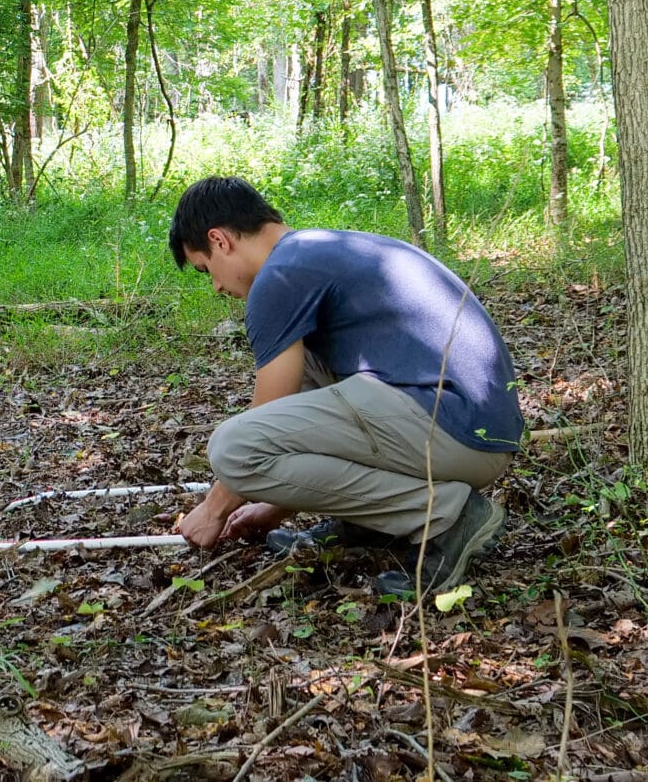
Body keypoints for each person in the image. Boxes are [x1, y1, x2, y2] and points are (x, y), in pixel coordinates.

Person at [166, 177, 524, 597]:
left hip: (451, 428)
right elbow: (300, 418)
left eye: (207, 270)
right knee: (311, 367)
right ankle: (371, 521)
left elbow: (264, 421)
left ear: (220, 240)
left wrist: (214, 509)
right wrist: (274, 506)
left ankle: (447, 515)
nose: (218, 287)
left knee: (232, 448)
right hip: (471, 430)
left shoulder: (279, 278)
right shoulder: (319, 250)